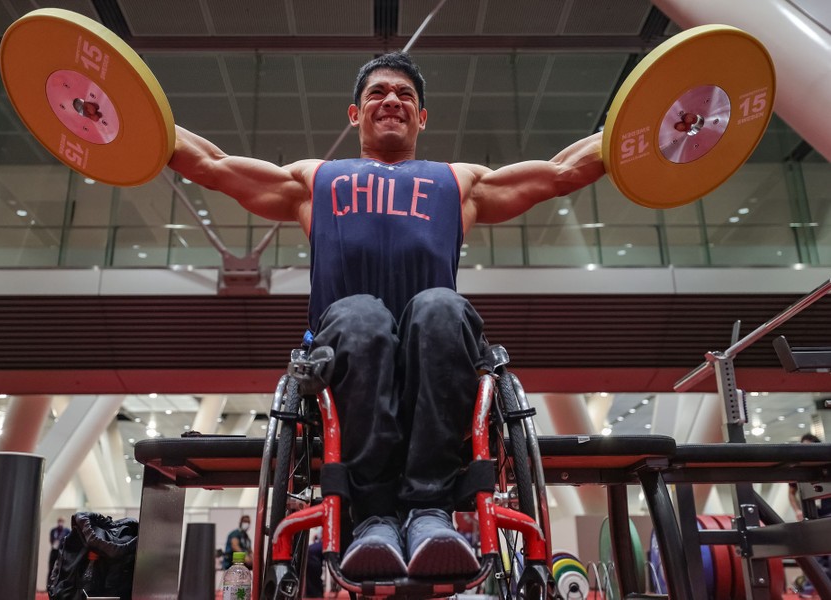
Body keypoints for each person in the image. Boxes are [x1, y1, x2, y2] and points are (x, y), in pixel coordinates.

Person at [170, 51, 604, 581]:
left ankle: (429, 513)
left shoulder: (459, 182)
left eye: (405, 95)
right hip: (345, 360)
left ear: (422, 118)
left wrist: (640, 133)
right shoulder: (316, 180)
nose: (392, 100)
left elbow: (561, 173)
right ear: (354, 114)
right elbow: (212, 167)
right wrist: (138, 125)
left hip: (437, 359)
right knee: (360, 316)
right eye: (377, 93)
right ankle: (374, 516)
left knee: (441, 306)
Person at [788, 433, 831, 597]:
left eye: (808, 447)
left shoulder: (825, 464)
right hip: (811, 516)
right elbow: (791, 492)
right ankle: (804, 591)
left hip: (828, 514)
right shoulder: (798, 467)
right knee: (814, 558)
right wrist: (797, 510)